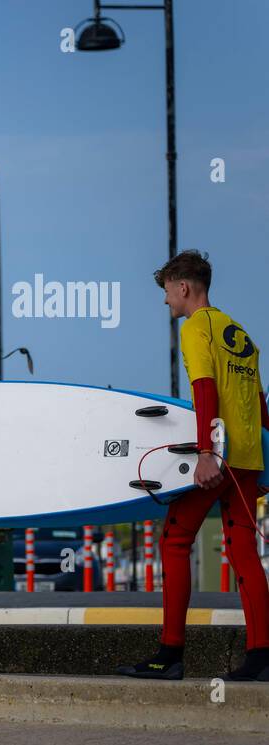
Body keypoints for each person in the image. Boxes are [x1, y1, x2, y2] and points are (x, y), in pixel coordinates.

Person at [119, 251, 269, 681]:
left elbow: (204, 389)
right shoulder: (238, 332)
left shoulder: (195, 328)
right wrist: (265, 464)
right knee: (243, 552)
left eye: (167, 291)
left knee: (174, 538)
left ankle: (169, 654)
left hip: (219, 457)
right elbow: (259, 402)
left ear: (183, 287)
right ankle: (261, 655)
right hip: (249, 459)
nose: (166, 301)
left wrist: (206, 453)